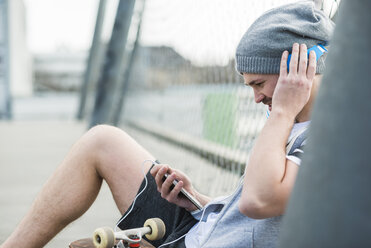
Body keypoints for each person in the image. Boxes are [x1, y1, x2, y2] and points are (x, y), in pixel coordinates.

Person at [1, 2, 334, 248]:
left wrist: (281, 113)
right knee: (102, 141)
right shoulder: (290, 123)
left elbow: (258, 202)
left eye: (258, 84)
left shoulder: (326, 139)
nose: (256, 98)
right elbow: (248, 216)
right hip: (201, 227)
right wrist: (199, 201)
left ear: (298, 69)